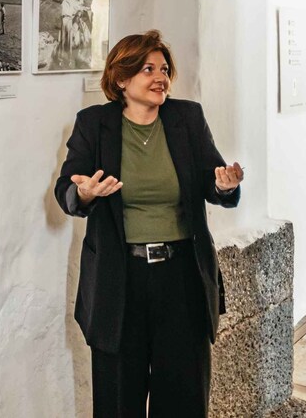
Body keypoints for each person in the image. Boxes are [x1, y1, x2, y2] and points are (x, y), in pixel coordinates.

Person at [55, 30, 244, 417]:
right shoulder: (94, 124)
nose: (160, 77)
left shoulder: (187, 118)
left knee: (184, 395)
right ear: (121, 79)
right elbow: (67, 189)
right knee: (119, 398)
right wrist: (86, 193)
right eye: (147, 69)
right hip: (118, 279)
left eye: (164, 69)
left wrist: (224, 185)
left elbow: (213, 180)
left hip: (182, 279)